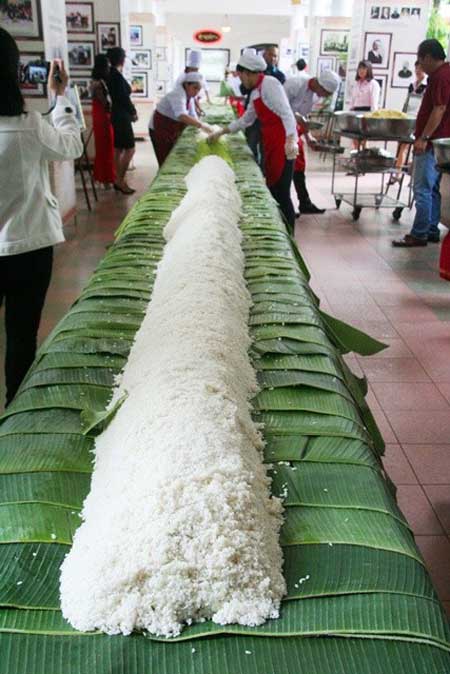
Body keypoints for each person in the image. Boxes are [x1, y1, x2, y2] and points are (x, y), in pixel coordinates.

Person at [0, 28, 82, 404]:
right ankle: (15, 407)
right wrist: (60, 97)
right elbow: (71, 145)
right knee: (21, 335)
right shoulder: (28, 127)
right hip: (27, 248)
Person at [208, 50, 298, 233]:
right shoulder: (256, 91)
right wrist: (222, 132)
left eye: (241, 76)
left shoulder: (270, 85)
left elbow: (287, 114)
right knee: (273, 187)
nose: (240, 80)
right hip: (271, 143)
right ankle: (279, 229)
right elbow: (247, 119)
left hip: (283, 143)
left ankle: (289, 235)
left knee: (282, 192)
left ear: (249, 73)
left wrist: (291, 140)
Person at [393, 40, 450, 247]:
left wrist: (423, 138)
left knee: (422, 189)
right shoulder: (443, 74)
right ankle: (431, 228)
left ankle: (419, 233)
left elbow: (439, 108)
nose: (420, 66)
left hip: (431, 143)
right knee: (432, 189)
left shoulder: (440, 76)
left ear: (427, 57)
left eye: (420, 60)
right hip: (439, 143)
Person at [284, 70, 341, 216]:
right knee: (285, 168)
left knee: (299, 165)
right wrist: (297, 118)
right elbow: (280, 107)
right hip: (281, 129)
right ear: (320, 86)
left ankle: (304, 203)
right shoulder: (295, 84)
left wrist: (309, 137)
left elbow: (304, 117)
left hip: (295, 131)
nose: (324, 97)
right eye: (326, 93)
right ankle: (284, 204)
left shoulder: (314, 96)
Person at [149, 73, 213, 166]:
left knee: (172, 157)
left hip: (171, 128)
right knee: (165, 160)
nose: (197, 92)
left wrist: (200, 129)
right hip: (160, 128)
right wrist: (202, 126)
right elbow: (181, 115)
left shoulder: (190, 96)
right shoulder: (177, 94)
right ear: (187, 85)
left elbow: (192, 114)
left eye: (199, 89)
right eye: (195, 88)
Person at [390, 61, 427, 182]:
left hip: (420, 119)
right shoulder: (412, 85)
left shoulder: (427, 85)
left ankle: (413, 177)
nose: (418, 71)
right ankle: (397, 174)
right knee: (402, 145)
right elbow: (407, 101)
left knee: (416, 148)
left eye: (420, 68)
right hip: (408, 118)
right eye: (416, 68)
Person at [107, 47, 137, 195]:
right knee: (130, 149)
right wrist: (133, 112)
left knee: (118, 149)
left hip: (117, 114)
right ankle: (120, 179)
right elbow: (124, 98)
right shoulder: (116, 76)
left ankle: (118, 179)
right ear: (122, 60)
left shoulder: (112, 74)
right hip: (122, 116)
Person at [90, 54, 115, 188]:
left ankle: (104, 177)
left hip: (99, 115)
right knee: (106, 147)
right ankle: (106, 178)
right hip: (103, 116)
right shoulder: (98, 84)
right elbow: (104, 102)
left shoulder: (97, 82)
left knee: (103, 147)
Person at [350, 61, 380, 149]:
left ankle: (364, 158)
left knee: (363, 140)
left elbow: (374, 102)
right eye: (359, 68)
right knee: (355, 139)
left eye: (364, 68)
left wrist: (373, 117)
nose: (361, 71)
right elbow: (353, 100)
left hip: (366, 113)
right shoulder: (356, 84)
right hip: (355, 112)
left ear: (369, 70)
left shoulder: (373, 84)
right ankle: (356, 158)